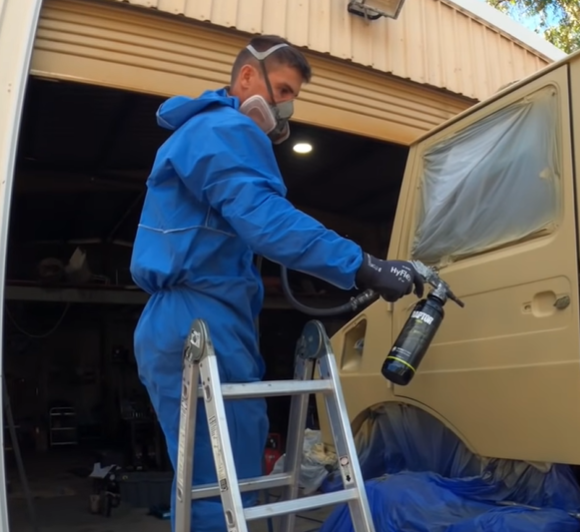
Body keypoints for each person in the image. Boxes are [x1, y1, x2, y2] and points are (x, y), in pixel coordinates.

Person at [130, 35, 426, 532]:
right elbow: (265, 219)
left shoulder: (201, 132)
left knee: (219, 479)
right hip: (200, 323)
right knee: (223, 491)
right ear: (247, 77)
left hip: (196, 319)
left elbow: (231, 235)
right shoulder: (225, 128)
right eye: (283, 89)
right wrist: (367, 265)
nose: (286, 105)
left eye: (292, 96)